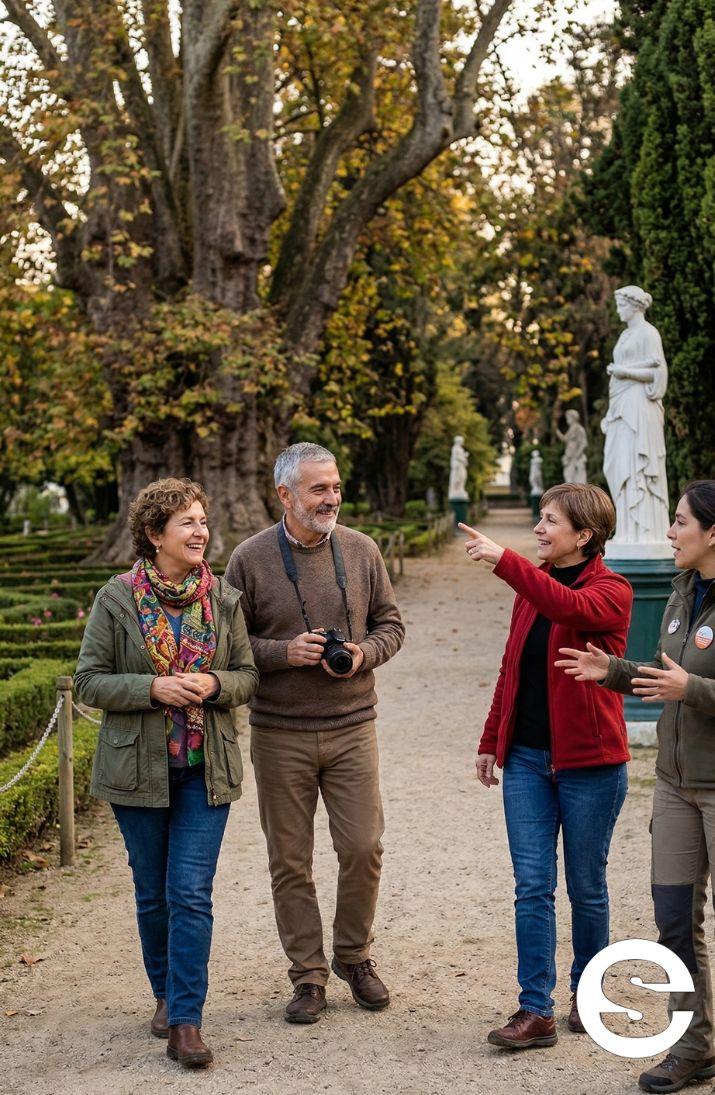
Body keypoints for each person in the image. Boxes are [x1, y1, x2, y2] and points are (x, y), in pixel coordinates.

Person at [75, 478, 258, 1069]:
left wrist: (215, 684)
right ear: (155, 535)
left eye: (203, 520)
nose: (201, 531)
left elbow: (249, 676)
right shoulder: (116, 599)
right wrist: (152, 687)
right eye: (187, 522)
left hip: (207, 770)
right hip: (136, 772)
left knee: (190, 894)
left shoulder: (224, 599)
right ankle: (163, 993)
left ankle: (186, 1019)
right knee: (153, 895)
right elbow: (88, 681)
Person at [224, 442, 405, 1024]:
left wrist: (363, 653)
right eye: (317, 489)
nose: (331, 499)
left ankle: (354, 956)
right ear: (285, 494)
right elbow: (229, 646)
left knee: (363, 847)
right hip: (279, 734)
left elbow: (392, 626)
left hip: (354, 726)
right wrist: (285, 652)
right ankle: (307, 975)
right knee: (290, 860)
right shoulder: (249, 559)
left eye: (335, 487)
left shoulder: (362, 549)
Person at [459, 483, 632, 1049]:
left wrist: (505, 561)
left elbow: (572, 607)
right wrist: (492, 740)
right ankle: (535, 1010)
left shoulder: (612, 589)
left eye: (549, 520)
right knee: (532, 887)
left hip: (591, 764)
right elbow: (511, 671)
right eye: (538, 517)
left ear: (584, 535)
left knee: (587, 887)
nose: (538, 528)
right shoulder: (529, 591)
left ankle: (589, 996)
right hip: (528, 761)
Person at [557, 481, 715, 1094]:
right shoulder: (682, 591)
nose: (670, 532)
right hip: (675, 786)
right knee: (675, 921)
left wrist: (693, 692)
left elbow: (687, 686)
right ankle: (693, 1046)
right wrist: (614, 672)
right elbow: (664, 676)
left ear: (711, 533)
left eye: (679, 523)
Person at [601, 285, 670, 544]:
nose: (618, 310)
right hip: (620, 406)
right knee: (616, 463)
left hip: (639, 407)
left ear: (633, 305)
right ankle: (628, 530)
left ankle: (645, 532)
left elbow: (658, 373)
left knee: (637, 465)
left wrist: (625, 372)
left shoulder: (648, 333)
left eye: (620, 305)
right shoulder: (625, 335)